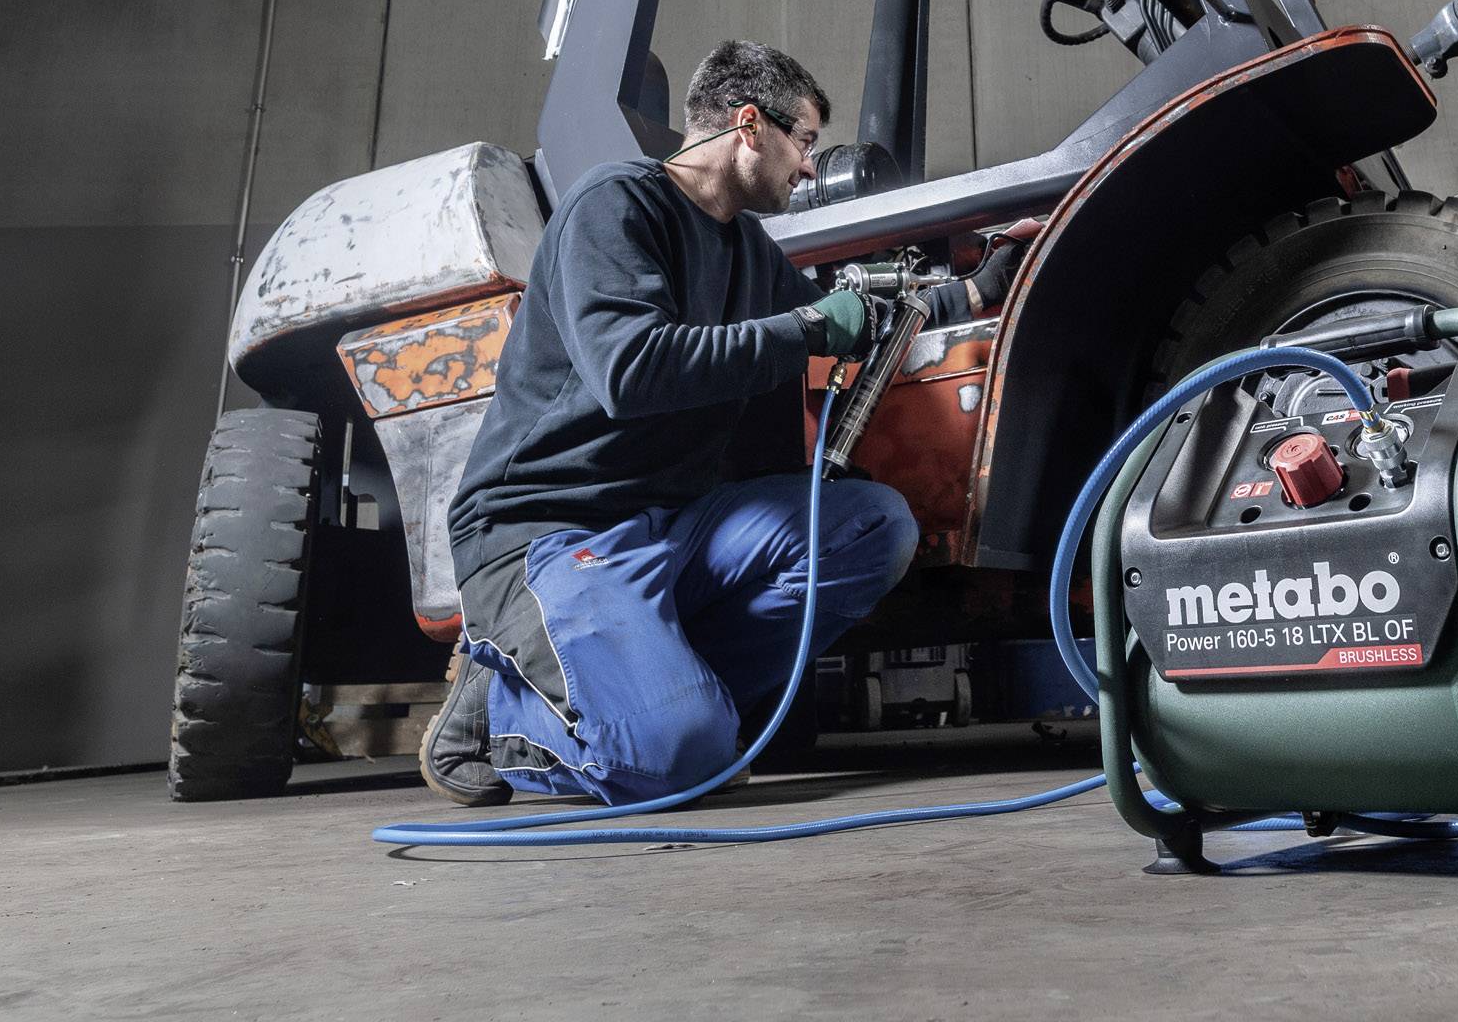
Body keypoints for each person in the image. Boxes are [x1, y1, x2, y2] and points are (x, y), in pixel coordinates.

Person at [422, 40, 1019, 806]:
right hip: (550, 532)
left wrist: (972, 294)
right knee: (676, 758)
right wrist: (806, 331)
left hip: (671, 525)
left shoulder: (747, 250)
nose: (810, 167)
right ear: (748, 124)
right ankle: (503, 715)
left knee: (872, 526)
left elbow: (851, 316)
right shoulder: (615, 206)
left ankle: (664, 698)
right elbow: (629, 372)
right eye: (804, 141)